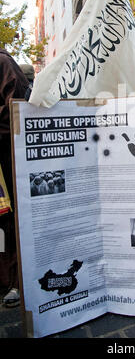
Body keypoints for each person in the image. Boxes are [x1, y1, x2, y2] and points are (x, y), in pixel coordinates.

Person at [0, 48, 29, 307]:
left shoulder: (4, 64)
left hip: (6, 159)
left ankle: (16, 281)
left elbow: (16, 112)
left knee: (9, 220)